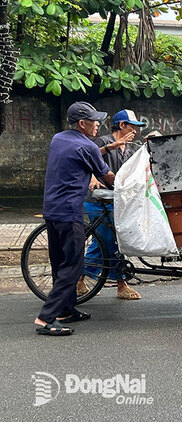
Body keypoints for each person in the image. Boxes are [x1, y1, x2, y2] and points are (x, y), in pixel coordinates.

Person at [34, 101, 114, 336]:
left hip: (51, 210)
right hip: (69, 212)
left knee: (60, 261)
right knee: (73, 264)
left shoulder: (58, 138)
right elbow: (106, 175)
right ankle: (46, 318)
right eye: (94, 121)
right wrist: (125, 185)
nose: (97, 124)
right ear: (82, 124)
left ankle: (66, 309)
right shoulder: (87, 146)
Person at [79, 109, 146, 300]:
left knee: (106, 240)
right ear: (122, 125)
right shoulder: (103, 142)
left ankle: (79, 278)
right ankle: (120, 284)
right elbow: (86, 161)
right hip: (96, 200)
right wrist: (92, 177)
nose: (135, 131)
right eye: (132, 126)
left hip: (116, 200)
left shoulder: (131, 149)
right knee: (108, 240)